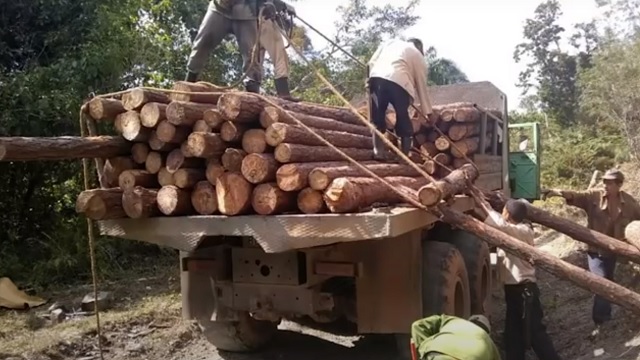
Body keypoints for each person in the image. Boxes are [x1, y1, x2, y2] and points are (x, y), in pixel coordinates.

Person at [543, 168, 640, 338]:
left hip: (618, 252)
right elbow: (576, 195)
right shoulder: (594, 196)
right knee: (602, 283)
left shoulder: (631, 204)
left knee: (609, 281)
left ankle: (608, 315)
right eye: (604, 181)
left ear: (619, 185)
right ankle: (601, 321)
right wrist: (556, 192)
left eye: (609, 182)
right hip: (596, 251)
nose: (605, 185)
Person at [474, 195, 561, 360]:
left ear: (507, 213)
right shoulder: (512, 232)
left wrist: (483, 205)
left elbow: (499, 224)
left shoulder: (522, 231)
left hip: (524, 290)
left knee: (535, 331)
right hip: (514, 290)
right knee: (513, 333)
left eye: (504, 211)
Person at [184, 0, 295, 95]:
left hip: (247, 13)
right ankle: (188, 86)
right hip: (220, 8)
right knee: (201, 45)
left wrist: (270, 2)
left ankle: (253, 100)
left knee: (251, 58)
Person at [367, 38, 433, 160]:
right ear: (420, 48)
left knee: (378, 115)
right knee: (402, 115)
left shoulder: (389, 42)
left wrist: (369, 81)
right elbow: (421, 84)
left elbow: (371, 62)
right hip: (399, 82)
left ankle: (378, 152)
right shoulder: (417, 54)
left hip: (376, 78)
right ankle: (403, 155)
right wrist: (427, 112)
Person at [410, 314, 501, 360]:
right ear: (488, 332)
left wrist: (423, 350)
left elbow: (417, 325)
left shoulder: (453, 320)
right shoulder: (488, 341)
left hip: (435, 353)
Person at [257, 6, 299, 101]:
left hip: (247, 23)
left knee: (254, 60)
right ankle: (283, 92)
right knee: (279, 56)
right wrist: (284, 6)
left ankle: (252, 91)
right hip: (265, 19)